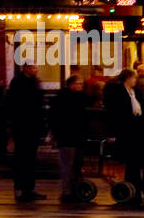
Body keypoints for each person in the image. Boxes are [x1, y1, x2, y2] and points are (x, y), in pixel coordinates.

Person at [6, 63, 45, 202]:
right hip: (22, 126)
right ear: (25, 68)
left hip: (32, 127)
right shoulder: (18, 83)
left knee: (30, 159)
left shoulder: (34, 82)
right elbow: (13, 105)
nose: (36, 70)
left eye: (36, 67)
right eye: (33, 67)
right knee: (21, 159)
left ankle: (29, 188)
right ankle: (20, 188)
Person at [104, 69, 144, 205]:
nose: (135, 80)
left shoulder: (136, 92)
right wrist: (112, 133)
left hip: (136, 133)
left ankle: (133, 189)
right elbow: (114, 113)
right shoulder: (118, 92)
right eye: (133, 78)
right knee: (132, 162)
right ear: (127, 78)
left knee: (134, 163)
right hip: (125, 133)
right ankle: (133, 191)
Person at [50, 74, 89, 202]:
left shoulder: (78, 98)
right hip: (67, 136)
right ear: (71, 85)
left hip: (76, 136)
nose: (81, 86)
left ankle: (75, 189)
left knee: (76, 164)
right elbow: (56, 119)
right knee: (68, 164)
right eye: (79, 84)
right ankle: (68, 191)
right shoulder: (64, 99)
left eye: (82, 84)